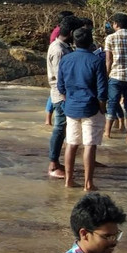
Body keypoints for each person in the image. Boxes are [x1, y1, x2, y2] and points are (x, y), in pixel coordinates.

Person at [57, 26, 108, 192]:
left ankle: (69, 180)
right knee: (89, 145)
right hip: (91, 107)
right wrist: (102, 108)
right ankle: (88, 184)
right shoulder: (96, 61)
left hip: (71, 107)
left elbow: (61, 87)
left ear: (74, 41)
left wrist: (69, 100)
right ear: (91, 42)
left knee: (71, 144)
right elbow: (102, 90)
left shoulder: (66, 59)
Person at [46, 17, 79, 180]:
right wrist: (67, 97)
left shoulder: (64, 47)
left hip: (64, 95)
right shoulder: (59, 50)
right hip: (61, 96)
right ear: (71, 33)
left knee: (63, 129)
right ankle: (53, 164)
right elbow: (61, 79)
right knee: (60, 129)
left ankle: (57, 162)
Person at [103, 13, 127, 142]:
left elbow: (108, 60)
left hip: (116, 76)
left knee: (112, 104)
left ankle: (107, 133)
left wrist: (105, 75)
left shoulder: (110, 38)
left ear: (117, 24)